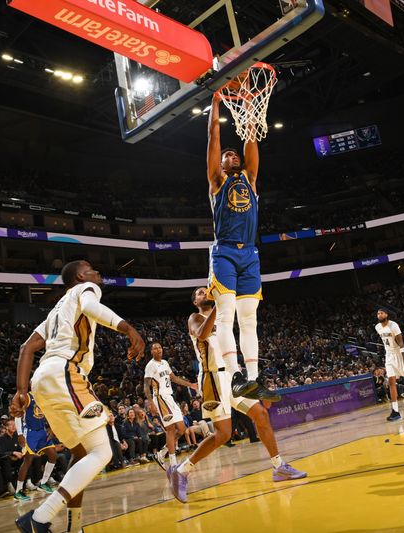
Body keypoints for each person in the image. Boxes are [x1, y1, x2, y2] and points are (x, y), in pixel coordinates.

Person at [12, 260, 145, 533]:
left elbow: (27, 348)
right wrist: (128, 329)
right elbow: (91, 308)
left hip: (42, 380)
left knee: (81, 453)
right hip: (65, 372)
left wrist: (21, 392)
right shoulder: (85, 289)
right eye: (92, 269)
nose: (98, 272)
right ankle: (39, 517)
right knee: (102, 451)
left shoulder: (56, 311)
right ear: (80, 276)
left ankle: (75, 526)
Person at [168, 287, 306, 503]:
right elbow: (202, 334)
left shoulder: (223, 319)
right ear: (195, 302)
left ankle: (279, 467)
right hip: (212, 378)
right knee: (223, 434)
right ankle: (182, 470)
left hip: (232, 375)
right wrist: (218, 307)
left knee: (261, 414)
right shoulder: (195, 317)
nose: (205, 293)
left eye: (207, 291)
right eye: (200, 293)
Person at [205, 91, 279, 403]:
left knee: (249, 319)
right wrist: (217, 103)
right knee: (226, 316)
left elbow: (250, 138)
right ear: (221, 164)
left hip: (250, 253)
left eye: (236, 156)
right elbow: (214, 137)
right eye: (228, 156)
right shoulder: (217, 181)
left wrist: (249, 104)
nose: (232, 156)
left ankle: (252, 378)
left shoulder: (250, 178)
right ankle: (234, 373)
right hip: (224, 252)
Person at [143, 342, 197, 470]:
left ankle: (161, 454)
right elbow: (146, 386)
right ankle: (173, 463)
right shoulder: (150, 365)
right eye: (155, 348)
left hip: (170, 398)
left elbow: (174, 378)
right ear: (151, 351)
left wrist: (190, 385)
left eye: (160, 347)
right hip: (160, 398)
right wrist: (151, 403)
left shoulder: (165, 363)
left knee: (182, 429)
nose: (158, 349)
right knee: (171, 429)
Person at [13, 392, 58, 501]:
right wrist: (19, 434)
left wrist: (51, 428)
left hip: (42, 431)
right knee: (28, 460)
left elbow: (50, 414)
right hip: (29, 433)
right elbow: (17, 416)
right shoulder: (26, 397)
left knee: (53, 455)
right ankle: (18, 491)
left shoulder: (44, 396)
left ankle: (43, 483)